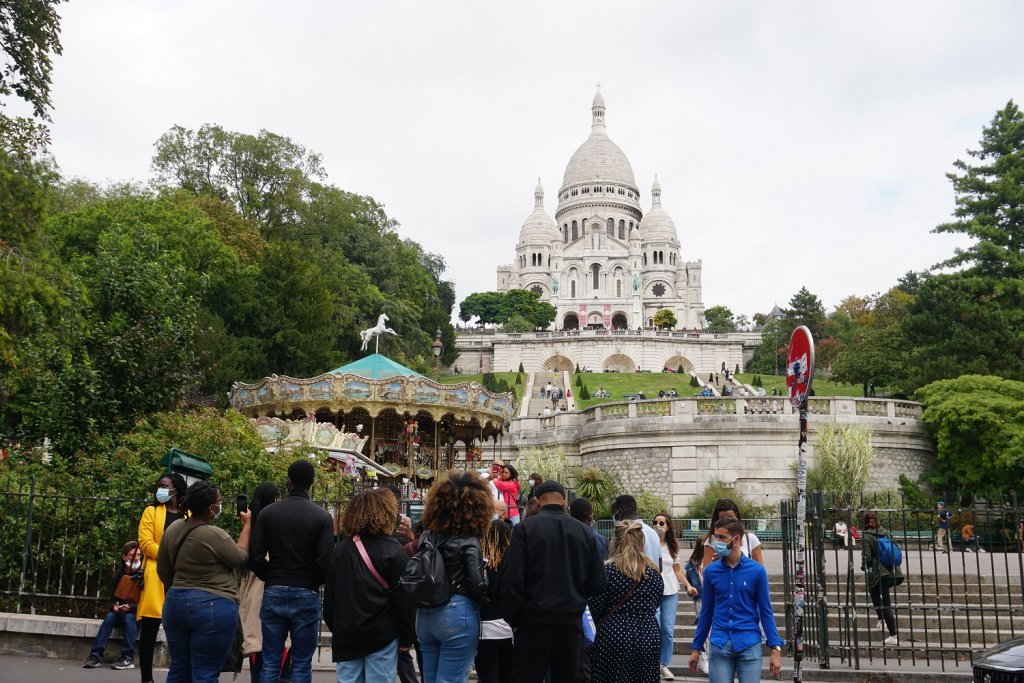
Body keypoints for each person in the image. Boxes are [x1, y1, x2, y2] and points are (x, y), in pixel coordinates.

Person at [500, 480, 607, 683]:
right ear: (565, 501)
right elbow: (599, 582)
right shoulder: (584, 532)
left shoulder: (524, 529)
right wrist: (577, 593)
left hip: (532, 621)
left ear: (538, 501)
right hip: (569, 621)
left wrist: (514, 619)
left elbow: (512, 580)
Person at [157, 481, 251, 683]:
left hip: (175, 603)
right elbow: (239, 558)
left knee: (178, 670)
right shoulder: (213, 534)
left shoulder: (173, 528)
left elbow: (163, 570)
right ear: (211, 508)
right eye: (219, 502)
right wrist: (247, 526)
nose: (220, 505)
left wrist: (184, 587)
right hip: (213, 607)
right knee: (205, 673)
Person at [249, 460, 334, 683]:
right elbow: (325, 561)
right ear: (312, 483)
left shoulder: (268, 514)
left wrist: (271, 574)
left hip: (275, 587)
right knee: (302, 663)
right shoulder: (322, 517)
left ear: (288, 481)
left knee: (270, 661)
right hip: (306, 590)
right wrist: (313, 580)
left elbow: (255, 557)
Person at [324, 489, 413, 683]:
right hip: (382, 633)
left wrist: (336, 628)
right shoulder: (394, 551)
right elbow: (403, 599)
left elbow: (330, 598)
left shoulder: (341, 550)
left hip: (347, 633)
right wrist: (406, 636)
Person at [416, 470, 491, 683]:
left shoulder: (427, 536)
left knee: (429, 678)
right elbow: (477, 584)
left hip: (426, 613)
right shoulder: (469, 540)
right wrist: (489, 580)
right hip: (457, 611)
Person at [688, 518, 783, 682]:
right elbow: (706, 612)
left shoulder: (757, 571)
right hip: (720, 642)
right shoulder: (711, 571)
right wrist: (696, 648)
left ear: (736, 539)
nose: (718, 541)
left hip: (749, 642)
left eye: (722, 537)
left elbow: (766, 611)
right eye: (716, 537)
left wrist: (775, 649)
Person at [588, 520, 663, 683]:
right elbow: (656, 603)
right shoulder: (654, 573)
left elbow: (595, 607)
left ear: (615, 542)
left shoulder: (608, 571)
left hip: (613, 636)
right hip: (648, 636)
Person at [136, 472, 186, 683]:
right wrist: (169, 556)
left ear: (176, 490)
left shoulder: (188, 514)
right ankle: (146, 678)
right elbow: (145, 543)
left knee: (181, 630)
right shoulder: (151, 511)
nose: (161, 490)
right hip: (156, 574)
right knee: (149, 629)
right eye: (159, 486)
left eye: (165, 486)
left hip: (181, 576)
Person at [238, 482, 291, 683]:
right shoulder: (277, 524)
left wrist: (247, 525)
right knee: (279, 665)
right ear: (276, 499)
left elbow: (240, 557)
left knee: (259, 660)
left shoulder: (253, 527)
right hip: (273, 594)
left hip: (253, 598)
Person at [83, 541, 144, 670]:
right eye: (133, 555)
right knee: (110, 616)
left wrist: (131, 608)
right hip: (120, 612)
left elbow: (148, 602)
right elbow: (111, 599)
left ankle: (128, 657)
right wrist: (114, 607)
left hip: (136, 615)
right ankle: (95, 655)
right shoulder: (119, 575)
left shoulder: (144, 575)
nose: (137, 558)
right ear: (124, 557)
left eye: (139, 555)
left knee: (128, 617)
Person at [652, 514, 698, 680]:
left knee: (667, 629)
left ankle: (663, 664)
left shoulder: (672, 547)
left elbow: (677, 570)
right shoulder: (649, 544)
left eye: (661, 522)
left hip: (670, 590)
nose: (658, 525)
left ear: (668, 526)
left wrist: (688, 585)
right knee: (653, 628)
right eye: (655, 522)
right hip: (652, 591)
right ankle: (652, 663)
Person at [475, 505, 515, 683]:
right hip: (508, 629)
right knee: (507, 675)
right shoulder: (511, 565)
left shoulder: (479, 564)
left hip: (484, 629)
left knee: (488, 676)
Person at [860, 510, 901, 646]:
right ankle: (880, 619)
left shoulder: (867, 536)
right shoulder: (884, 532)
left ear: (865, 522)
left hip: (878, 573)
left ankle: (893, 635)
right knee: (875, 593)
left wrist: (867, 566)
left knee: (885, 603)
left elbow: (867, 556)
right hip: (890, 571)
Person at [701, 499, 763, 570]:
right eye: (722, 518)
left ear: (736, 516)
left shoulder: (750, 539)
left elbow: (759, 569)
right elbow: (706, 572)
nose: (727, 521)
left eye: (730, 517)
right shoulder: (712, 541)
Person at [611, 495, 660, 569]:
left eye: (614, 513)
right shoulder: (653, 532)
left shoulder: (625, 533)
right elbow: (660, 565)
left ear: (620, 512)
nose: (614, 516)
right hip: (654, 578)